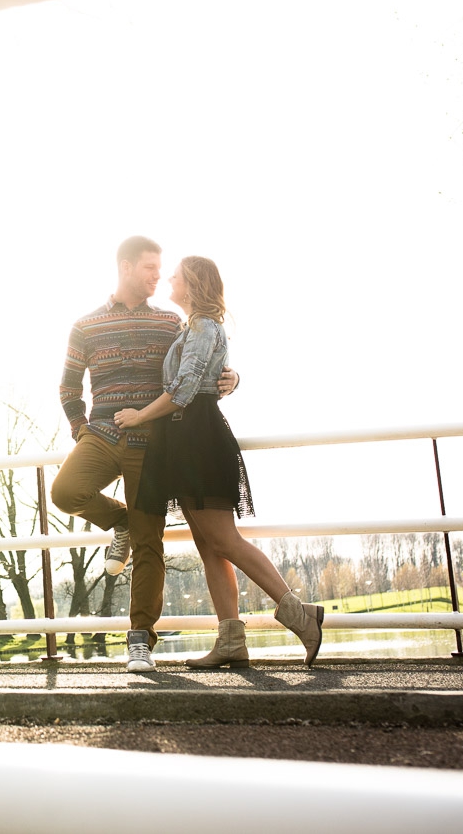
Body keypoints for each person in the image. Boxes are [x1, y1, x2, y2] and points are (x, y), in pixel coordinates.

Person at [115, 255, 323, 668]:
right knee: (208, 544)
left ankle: (301, 615)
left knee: (223, 539)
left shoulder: (205, 326)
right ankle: (230, 639)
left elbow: (187, 386)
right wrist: (230, 378)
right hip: (183, 438)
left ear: (190, 285)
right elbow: (208, 374)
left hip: (198, 437)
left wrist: (139, 415)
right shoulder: (192, 327)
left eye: (174, 275)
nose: (167, 279)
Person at [51, 237, 236, 673]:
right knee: (65, 491)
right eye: (151, 268)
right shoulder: (86, 325)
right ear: (126, 266)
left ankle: (140, 641)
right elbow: (67, 387)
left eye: (161, 269)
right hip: (100, 433)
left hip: (153, 443)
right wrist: (82, 432)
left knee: (149, 541)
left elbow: (200, 366)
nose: (159, 275)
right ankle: (119, 522)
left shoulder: (171, 322)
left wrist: (232, 378)